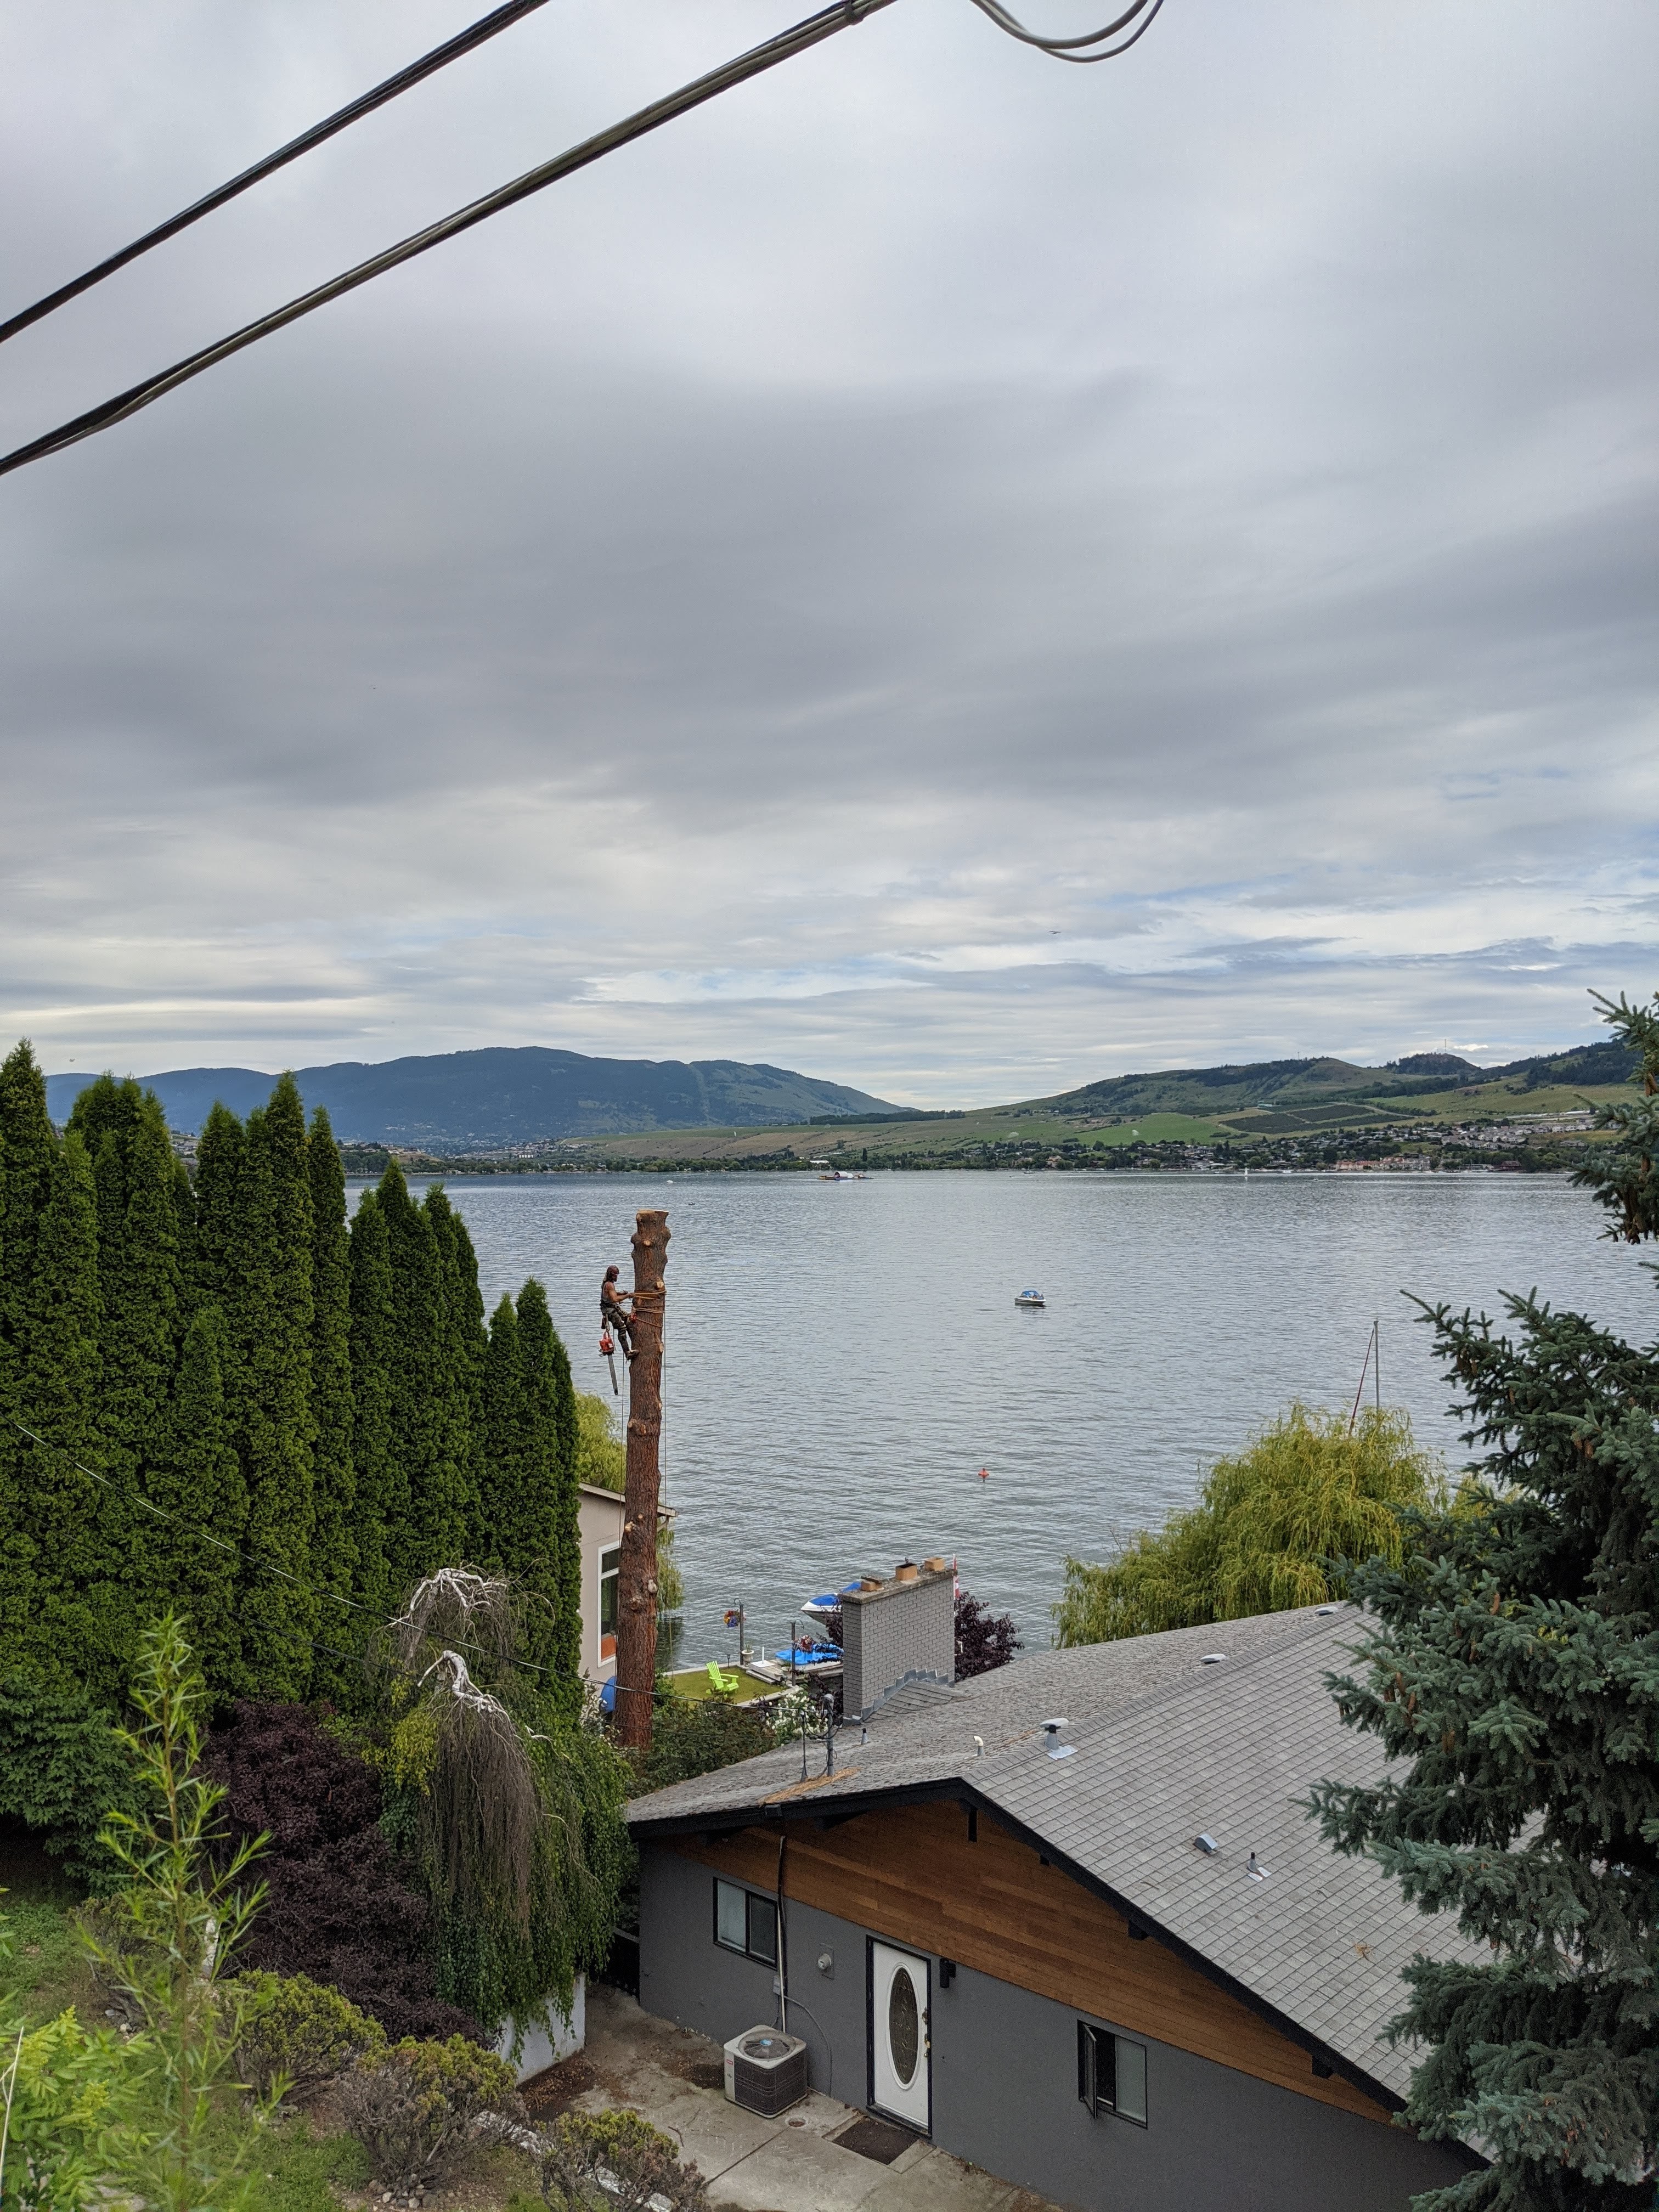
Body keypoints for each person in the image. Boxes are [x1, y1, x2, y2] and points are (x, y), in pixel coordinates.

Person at [600, 1265, 635, 1359]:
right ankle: (627, 1352)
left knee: (628, 1318)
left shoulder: (607, 1284)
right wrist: (628, 1295)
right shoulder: (609, 1285)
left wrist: (622, 1293)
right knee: (622, 1328)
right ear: (611, 1275)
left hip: (612, 1308)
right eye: (615, 1276)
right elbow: (615, 1299)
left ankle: (633, 1341)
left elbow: (612, 1294)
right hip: (610, 1310)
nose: (617, 1277)